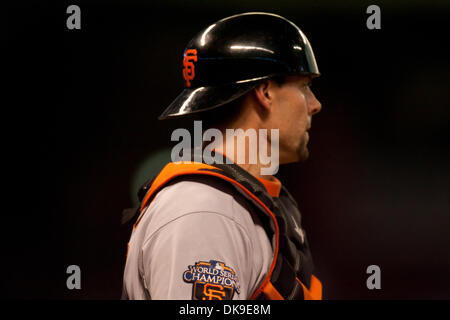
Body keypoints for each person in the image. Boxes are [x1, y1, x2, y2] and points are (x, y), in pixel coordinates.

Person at [122, 12, 323, 300]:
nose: (315, 105)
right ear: (265, 92)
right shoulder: (205, 211)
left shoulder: (241, 204)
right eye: (304, 86)